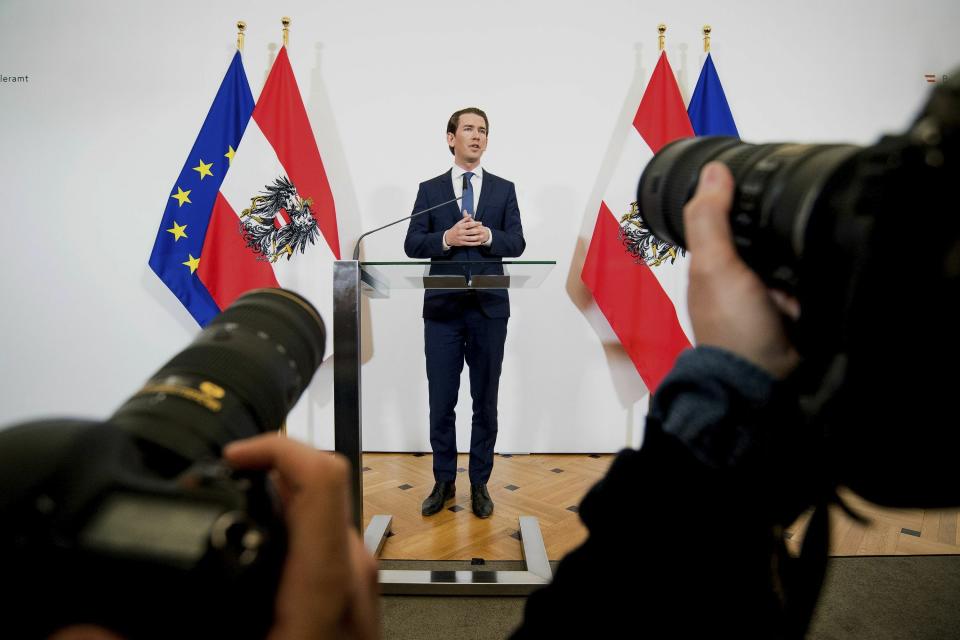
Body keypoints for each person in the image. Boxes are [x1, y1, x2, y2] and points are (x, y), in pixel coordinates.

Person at [403, 107, 526, 518]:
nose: (477, 136)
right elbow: (412, 243)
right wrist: (446, 237)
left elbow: (517, 243)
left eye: (483, 130)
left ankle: (479, 483)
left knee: (484, 400)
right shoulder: (430, 189)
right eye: (469, 129)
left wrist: (489, 235)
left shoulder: (504, 189)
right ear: (450, 137)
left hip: (489, 309)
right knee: (442, 399)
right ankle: (443, 480)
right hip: (442, 310)